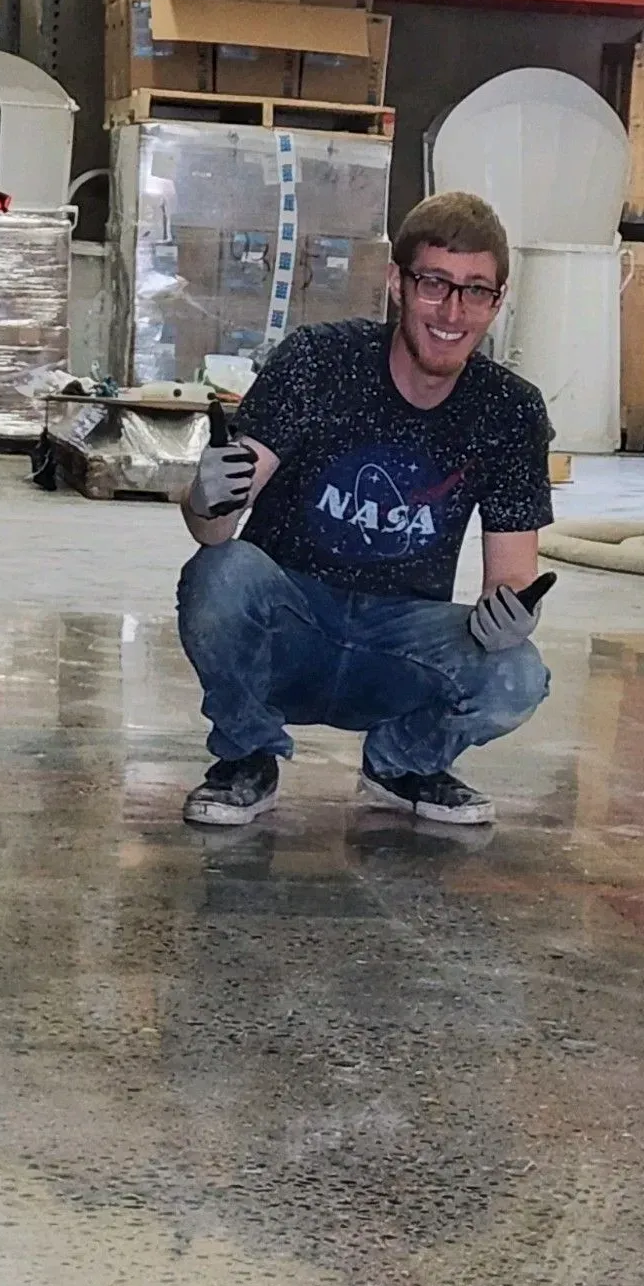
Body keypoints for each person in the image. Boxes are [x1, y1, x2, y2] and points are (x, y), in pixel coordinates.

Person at [175, 189, 554, 831]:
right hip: (291, 624)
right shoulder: (319, 361)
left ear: (499, 299)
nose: (453, 311)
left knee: (518, 674)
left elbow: (513, 575)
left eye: (476, 291)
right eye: (435, 283)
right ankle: (246, 755)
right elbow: (216, 529)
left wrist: (512, 615)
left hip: (399, 642)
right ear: (396, 284)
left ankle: (403, 763)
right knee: (222, 574)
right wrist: (204, 494)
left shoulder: (509, 410)